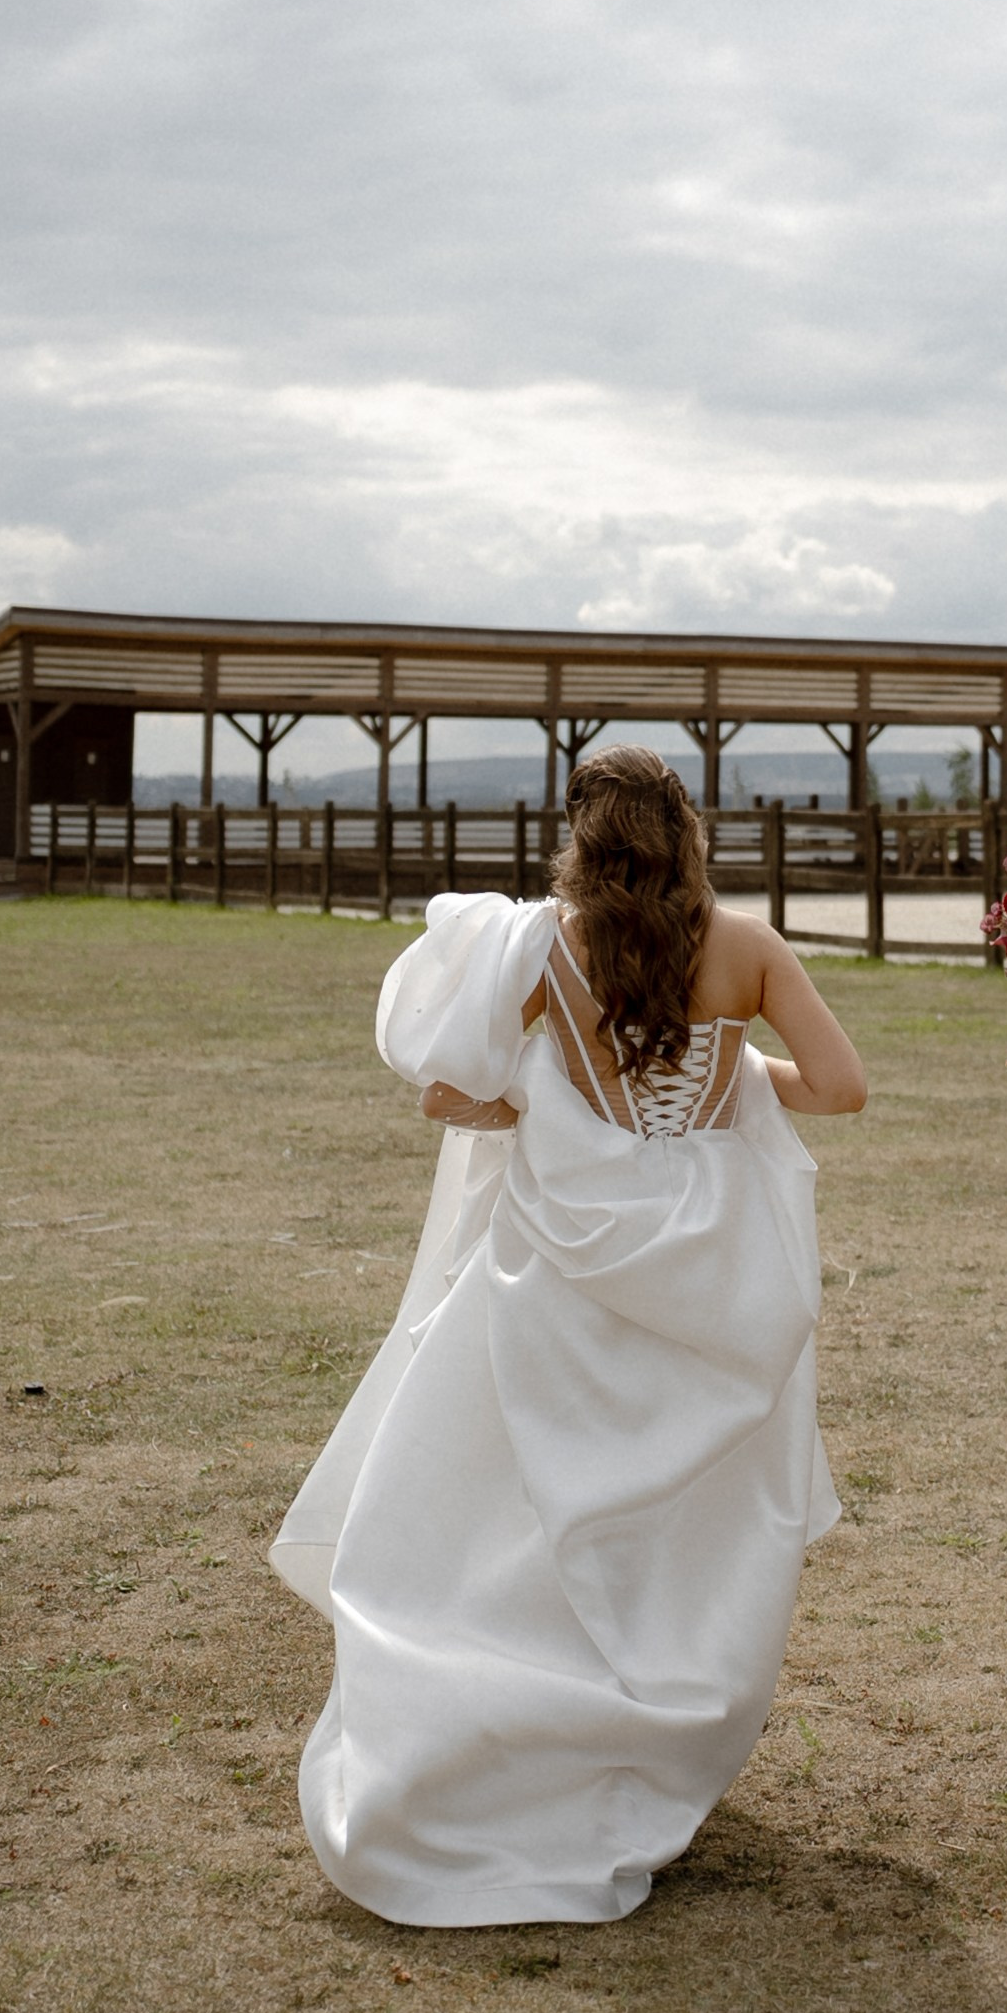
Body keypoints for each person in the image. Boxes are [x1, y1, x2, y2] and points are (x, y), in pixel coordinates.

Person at [271, 745, 866, 1926]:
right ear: (687, 830)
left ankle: (524, 1726)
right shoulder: (748, 948)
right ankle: (656, 1722)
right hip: (712, 1270)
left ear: (583, 844)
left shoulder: (540, 946)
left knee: (533, 1503)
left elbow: (453, 1091)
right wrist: (737, 1071)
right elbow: (842, 1087)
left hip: (562, 1259)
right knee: (678, 1512)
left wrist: (534, 1093)